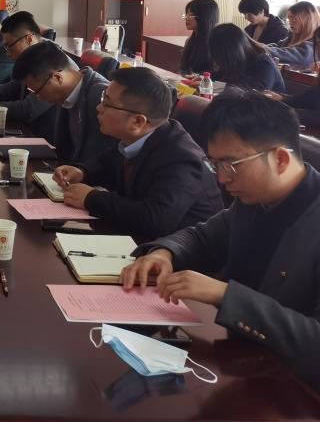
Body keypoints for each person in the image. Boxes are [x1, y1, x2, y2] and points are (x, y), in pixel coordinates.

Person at [121, 91, 320, 392]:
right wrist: (164, 253)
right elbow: (202, 237)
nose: (221, 179)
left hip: (293, 391)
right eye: (215, 164)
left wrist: (225, 295)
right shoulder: (254, 199)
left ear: (280, 159)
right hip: (238, 361)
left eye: (231, 164)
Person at [52, 68, 222, 240]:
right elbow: (106, 164)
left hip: (176, 250)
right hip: (137, 238)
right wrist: (82, 172)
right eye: (103, 98)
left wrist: (91, 198)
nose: (98, 107)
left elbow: (155, 220)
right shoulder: (138, 137)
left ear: (138, 121)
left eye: (107, 103)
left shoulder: (181, 159)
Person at [11, 41, 117, 167]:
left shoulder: (102, 100)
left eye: (37, 91)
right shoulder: (67, 94)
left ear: (57, 78)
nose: (37, 97)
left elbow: (109, 158)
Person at [208, 23, 286, 93]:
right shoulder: (236, 61)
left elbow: (257, 91)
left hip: (265, 103)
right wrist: (207, 80)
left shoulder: (262, 62)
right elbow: (218, 78)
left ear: (230, 51)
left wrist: (218, 86)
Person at [264, 1, 318, 68]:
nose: (290, 23)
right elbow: (278, 45)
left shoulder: (316, 42)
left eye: (294, 19)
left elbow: (293, 55)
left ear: (306, 20)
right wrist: (258, 46)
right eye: (289, 19)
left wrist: (261, 49)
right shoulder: (293, 35)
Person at [179, 0, 219, 76]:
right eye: (186, 15)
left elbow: (217, 72)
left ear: (204, 17)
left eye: (191, 15)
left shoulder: (216, 42)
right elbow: (184, 70)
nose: (186, 18)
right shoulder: (189, 41)